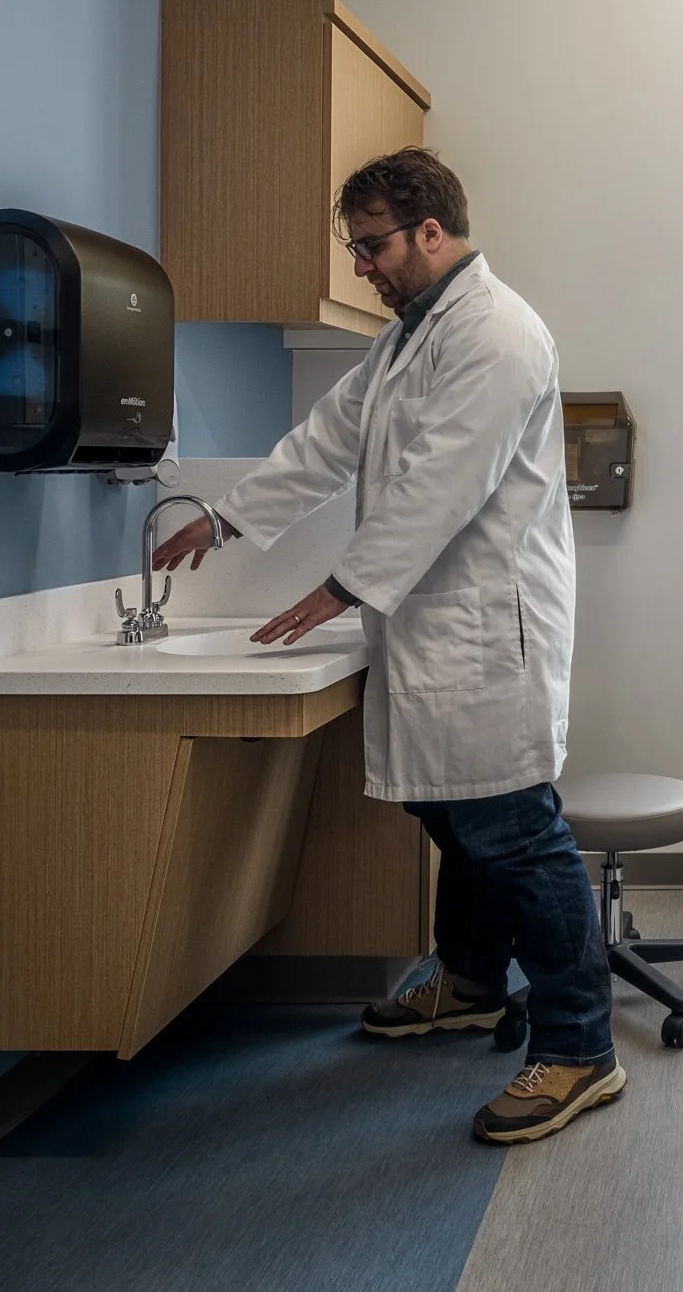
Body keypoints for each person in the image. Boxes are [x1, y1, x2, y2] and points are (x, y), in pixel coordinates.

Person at [149, 148, 617, 1145]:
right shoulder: (409, 340)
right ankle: (477, 984)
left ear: (431, 234)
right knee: (453, 815)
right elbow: (327, 442)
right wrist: (225, 520)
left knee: (519, 835)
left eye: (371, 246)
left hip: (491, 627)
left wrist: (340, 586)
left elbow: (438, 486)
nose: (361, 265)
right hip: (432, 626)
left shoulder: (495, 334)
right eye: (354, 247)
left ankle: (580, 1048)